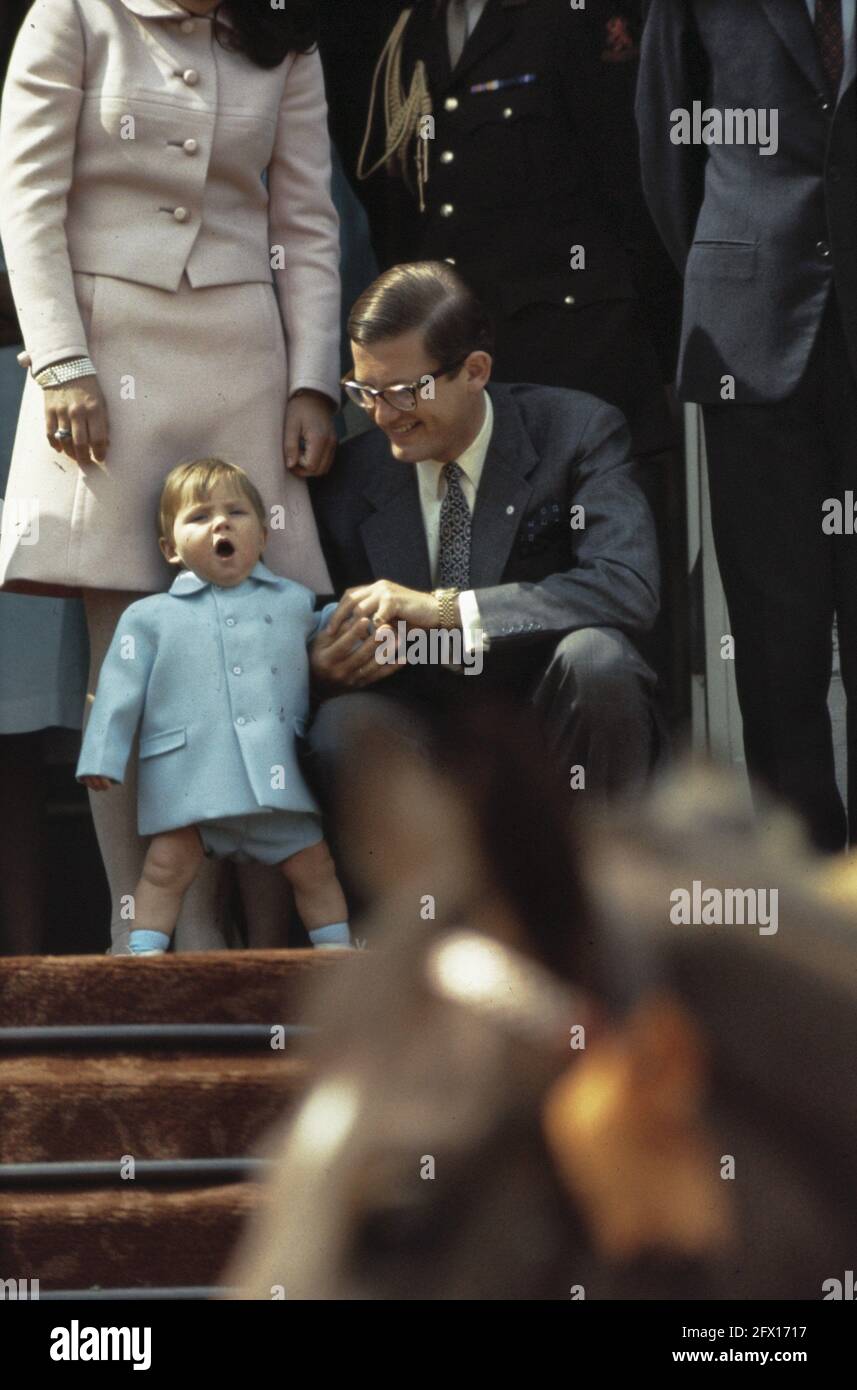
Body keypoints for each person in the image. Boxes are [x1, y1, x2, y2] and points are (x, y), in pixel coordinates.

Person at [0, 0, 342, 950]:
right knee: (132, 671)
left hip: (244, 359)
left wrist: (313, 380)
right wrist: (61, 362)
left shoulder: (283, 32)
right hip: (105, 365)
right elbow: (27, 203)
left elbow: (306, 220)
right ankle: (149, 934)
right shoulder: (72, 17)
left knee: (255, 653)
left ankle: (257, 932)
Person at [307, 262, 662, 805]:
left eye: (404, 392)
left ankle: (599, 884)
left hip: (546, 734)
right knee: (341, 723)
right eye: (363, 391)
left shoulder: (577, 432)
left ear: (474, 371)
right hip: (419, 743)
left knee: (598, 658)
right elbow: (310, 620)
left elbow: (626, 586)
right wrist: (323, 667)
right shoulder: (347, 477)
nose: (381, 415)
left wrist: (447, 611)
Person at [636, 0, 857, 851]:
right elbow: (667, 145)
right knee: (775, 650)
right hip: (753, 340)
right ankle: (810, 900)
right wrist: (730, 266)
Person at [351, 0, 676, 463]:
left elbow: (631, 185)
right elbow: (406, 207)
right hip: (464, 376)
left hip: (578, 356)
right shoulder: (412, 26)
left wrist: (659, 347)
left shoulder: (574, 13)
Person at [76, 459, 351, 956]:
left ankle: (337, 953)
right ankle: (142, 958)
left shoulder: (294, 602)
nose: (221, 523)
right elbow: (117, 693)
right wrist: (102, 757)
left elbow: (327, 630)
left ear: (264, 537)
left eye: (236, 512)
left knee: (316, 868)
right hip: (193, 781)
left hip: (275, 780)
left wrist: (359, 623)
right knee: (163, 872)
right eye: (199, 517)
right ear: (170, 548)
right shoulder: (149, 617)